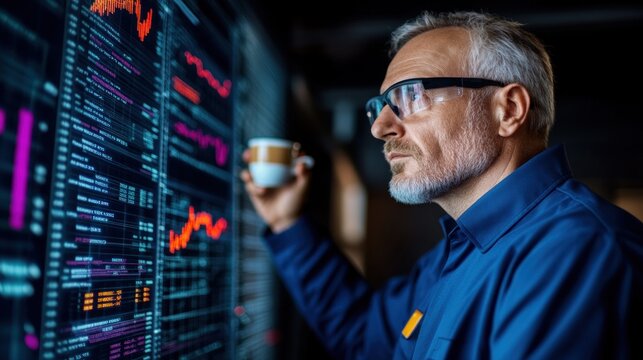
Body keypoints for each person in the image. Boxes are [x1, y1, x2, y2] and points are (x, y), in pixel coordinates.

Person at [241, 11, 643, 359]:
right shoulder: (460, 251)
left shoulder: (575, 251)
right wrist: (288, 223)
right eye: (380, 106)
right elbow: (364, 338)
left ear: (509, 110)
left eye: (411, 96)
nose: (381, 128)